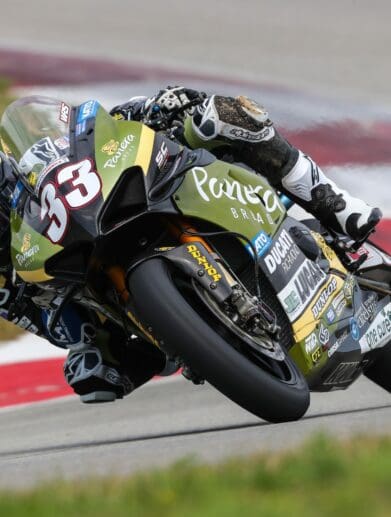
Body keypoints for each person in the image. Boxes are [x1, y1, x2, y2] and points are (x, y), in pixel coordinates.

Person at [0, 87, 382, 403]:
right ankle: (200, 338)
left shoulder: (30, 158)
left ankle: (334, 205)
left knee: (218, 115)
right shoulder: (11, 266)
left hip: (126, 189)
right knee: (96, 375)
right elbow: (48, 323)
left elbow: (87, 131)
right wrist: (81, 339)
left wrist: (160, 106)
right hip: (113, 297)